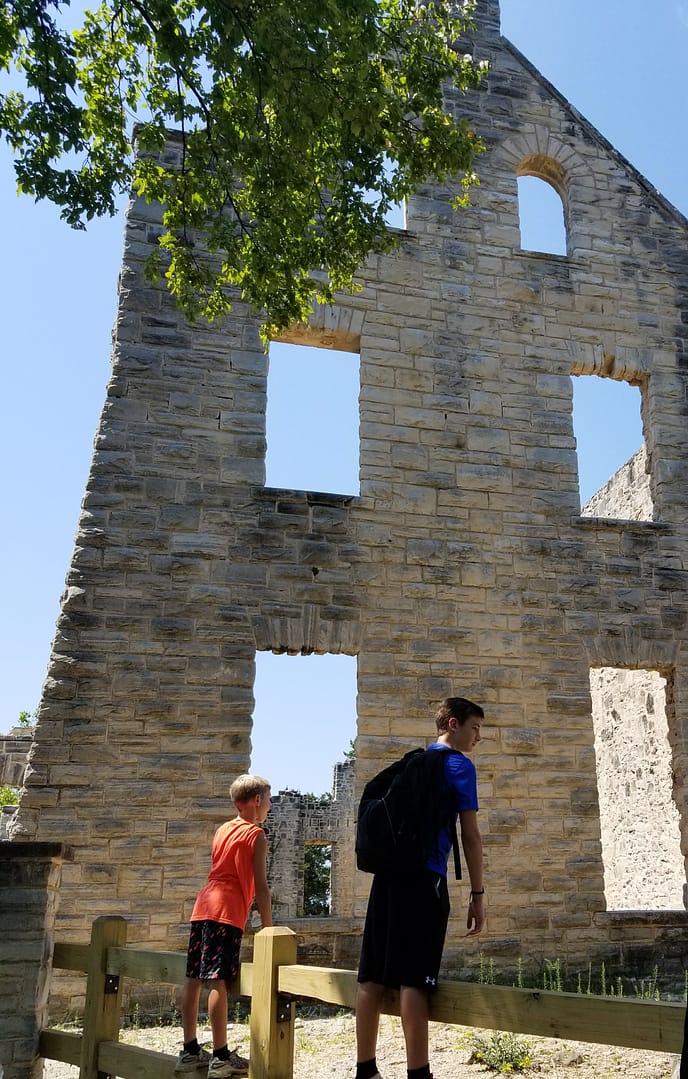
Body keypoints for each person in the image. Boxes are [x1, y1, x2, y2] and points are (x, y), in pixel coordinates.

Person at [355, 696, 486, 1079]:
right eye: (474, 727)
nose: (479, 736)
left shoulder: (411, 763)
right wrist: (477, 896)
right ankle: (419, 1073)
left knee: (371, 977)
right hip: (424, 882)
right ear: (452, 724)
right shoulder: (459, 766)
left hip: (387, 880)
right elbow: (471, 837)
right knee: (415, 981)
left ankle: (365, 1070)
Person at [176, 774, 273, 1078]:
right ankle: (220, 1056)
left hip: (203, 905)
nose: (269, 805)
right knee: (218, 980)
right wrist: (269, 930)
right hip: (227, 909)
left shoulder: (221, 830)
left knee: (193, 976)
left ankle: (190, 1050)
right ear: (257, 800)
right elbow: (261, 887)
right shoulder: (256, 835)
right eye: (268, 800)